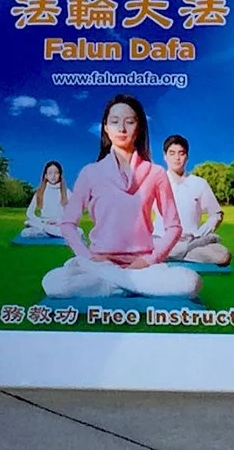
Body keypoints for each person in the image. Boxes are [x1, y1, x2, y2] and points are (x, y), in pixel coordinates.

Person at [41, 95, 198, 300]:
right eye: (114, 122)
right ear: (105, 127)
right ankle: (129, 284)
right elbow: (68, 223)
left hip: (143, 265)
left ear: (139, 127)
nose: (121, 129)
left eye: (129, 122)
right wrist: (89, 257)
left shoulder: (156, 173)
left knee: (190, 282)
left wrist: (150, 260)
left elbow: (174, 227)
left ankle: (115, 284)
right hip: (99, 263)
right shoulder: (90, 173)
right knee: (53, 283)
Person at [160, 135, 230, 266]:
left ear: (187, 157)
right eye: (172, 153)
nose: (177, 158)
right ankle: (177, 253)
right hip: (161, 240)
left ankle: (171, 254)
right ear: (165, 156)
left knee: (223, 255)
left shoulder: (199, 183)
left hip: (191, 241)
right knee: (143, 247)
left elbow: (217, 214)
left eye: (181, 153)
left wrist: (199, 235)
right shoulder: (155, 181)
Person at [20, 160, 71, 241]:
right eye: (50, 173)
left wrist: (58, 221)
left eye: (56, 173)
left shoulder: (67, 192)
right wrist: (41, 221)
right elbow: (29, 213)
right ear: (46, 176)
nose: (53, 176)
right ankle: (51, 232)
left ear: (60, 175)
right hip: (43, 223)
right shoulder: (40, 192)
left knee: (77, 231)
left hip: (59, 224)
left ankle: (49, 232)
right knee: (25, 232)